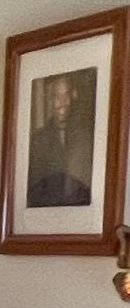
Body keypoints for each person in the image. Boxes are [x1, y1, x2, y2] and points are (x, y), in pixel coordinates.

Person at [28, 71, 93, 208]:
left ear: (73, 95)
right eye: (56, 96)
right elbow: (34, 190)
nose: (61, 103)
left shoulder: (88, 137)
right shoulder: (38, 140)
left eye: (65, 95)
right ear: (50, 100)